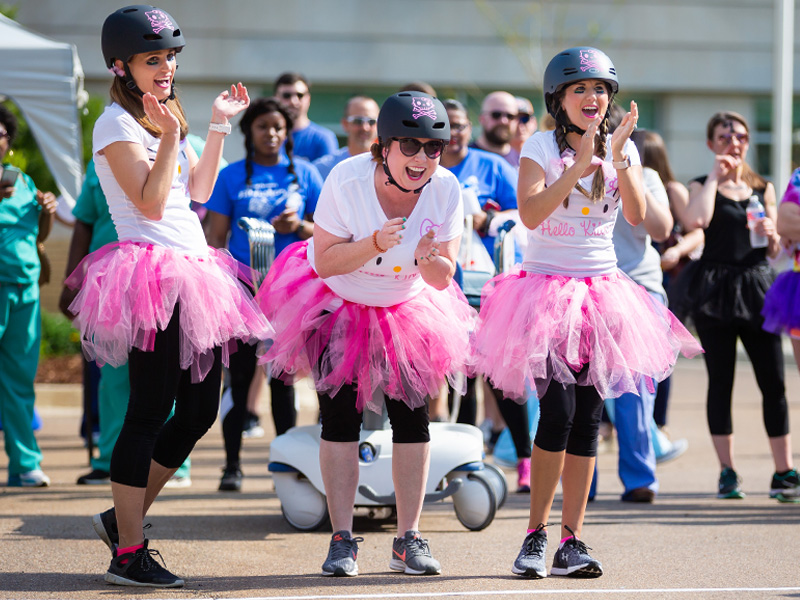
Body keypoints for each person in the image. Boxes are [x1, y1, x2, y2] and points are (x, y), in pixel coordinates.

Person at [473, 47, 701, 579]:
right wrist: (579, 164)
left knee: (589, 422)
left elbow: (644, 220)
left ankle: (572, 540)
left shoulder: (625, 148)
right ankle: (535, 534)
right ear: (558, 99)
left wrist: (619, 159)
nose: (592, 98)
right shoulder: (537, 146)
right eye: (580, 89)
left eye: (599, 89)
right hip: (545, 294)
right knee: (556, 414)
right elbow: (529, 214)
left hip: (603, 294)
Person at [65, 5, 271, 587]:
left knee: (201, 410)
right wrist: (171, 134)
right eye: (152, 60)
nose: (165, 69)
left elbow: (197, 192)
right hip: (149, 275)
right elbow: (151, 205)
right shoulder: (115, 124)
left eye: (170, 59)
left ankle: (119, 517)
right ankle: (129, 551)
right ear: (121, 66)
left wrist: (214, 125)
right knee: (149, 411)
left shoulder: (165, 112)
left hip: (194, 269)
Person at [256, 91, 475, 577]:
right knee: (340, 422)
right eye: (410, 146)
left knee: (412, 422)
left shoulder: (446, 188)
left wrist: (426, 258)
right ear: (384, 146)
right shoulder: (347, 178)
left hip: (407, 306)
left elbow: (443, 276)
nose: (422, 158)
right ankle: (340, 539)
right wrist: (374, 243)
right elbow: (326, 260)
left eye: (433, 148)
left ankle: (408, 539)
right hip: (340, 303)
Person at [206, 97, 323, 491]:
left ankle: (286, 466)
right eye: (262, 126)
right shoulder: (231, 176)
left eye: (278, 127)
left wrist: (301, 226)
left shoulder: (305, 174)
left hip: (291, 294)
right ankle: (232, 466)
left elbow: (330, 233)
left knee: (282, 383)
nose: (271, 134)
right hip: (241, 291)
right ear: (248, 131)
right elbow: (215, 238)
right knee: (238, 383)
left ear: (287, 133)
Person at [683, 111, 800, 500]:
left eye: (741, 137)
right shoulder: (700, 184)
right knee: (722, 381)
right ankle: (727, 472)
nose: (734, 143)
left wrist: (771, 236)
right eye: (724, 137)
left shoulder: (762, 188)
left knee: (774, 382)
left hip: (756, 287)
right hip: (715, 290)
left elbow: (776, 250)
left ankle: (783, 472)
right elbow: (696, 220)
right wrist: (716, 177)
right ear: (711, 143)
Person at [439, 98, 532, 492]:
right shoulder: (426, 169)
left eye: (460, 125)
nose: (455, 133)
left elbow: (526, 216)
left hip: (489, 286)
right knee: (456, 375)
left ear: (469, 128)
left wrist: (489, 219)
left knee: (497, 373)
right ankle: (464, 458)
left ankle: (524, 461)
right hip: (441, 286)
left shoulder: (490, 165)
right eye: (448, 126)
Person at [0, 103, 56, 487]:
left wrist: (48, 210)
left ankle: (24, 463)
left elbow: (39, 236)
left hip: (24, 290)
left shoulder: (20, 179)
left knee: (19, 379)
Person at [274, 72, 338, 162]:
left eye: (300, 95)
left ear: (308, 99)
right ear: (276, 98)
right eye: (286, 95)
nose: (293, 101)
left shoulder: (323, 138)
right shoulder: (269, 137)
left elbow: (328, 174)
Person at [313, 95, 379, 180]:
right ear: (345, 124)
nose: (365, 127)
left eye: (371, 121)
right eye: (358, 121)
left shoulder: (388, 166)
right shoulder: (325, 168)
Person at [471, 91, 521, 167]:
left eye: (510, 116)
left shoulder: (521, 162)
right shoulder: (463, 158)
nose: (503, 121)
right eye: (496, 115)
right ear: (482, 118)